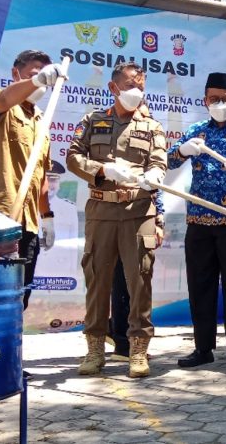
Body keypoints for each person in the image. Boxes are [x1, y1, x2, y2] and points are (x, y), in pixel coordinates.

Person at [66, 61, 167, 378]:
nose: (136, 91)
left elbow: (160, 163)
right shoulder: (93, 121)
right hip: (101, 211)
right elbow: (72, 157)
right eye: (129, 85)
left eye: (140, 85)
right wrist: (102, 170)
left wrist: (153, 174)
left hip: (139, 212)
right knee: (97, 281)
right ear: (113, 88)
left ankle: (138, 350)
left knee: (140, 280)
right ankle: (95, 349)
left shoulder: (153, 127)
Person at [169, 72, 226, 369]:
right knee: (200, 286)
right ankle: (203, 348)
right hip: (199, 220)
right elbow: (170, 160)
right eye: (214, 99)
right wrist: (183, 150)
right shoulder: (197, 130)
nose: (220, 103)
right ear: (205, 100)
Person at [0, 49, 66, 310]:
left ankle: (12, 348)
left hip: (28, 225)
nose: (42, 84)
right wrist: (36, 81)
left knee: (19, 298)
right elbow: (2, 100)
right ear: (16, 74)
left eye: (46, 79)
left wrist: (47, 218)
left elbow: (41, 175)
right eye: (35, 75)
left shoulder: (40, 122)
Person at [108, 191, 165, 361]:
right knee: (121, 281)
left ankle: (121, 337)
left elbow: (155, 186)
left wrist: (158, 218)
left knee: (138, 280)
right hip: (113, 215)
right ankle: (123, 344)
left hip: (141, 215)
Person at [34, 160, 79, 281]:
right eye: (46, 179)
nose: (49, 185)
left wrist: (72, 274)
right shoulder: (29, 206)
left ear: (59, 183)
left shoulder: (69, 209)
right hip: (35, 268)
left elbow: (73, 246)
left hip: (60, 272)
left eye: (53, 180)